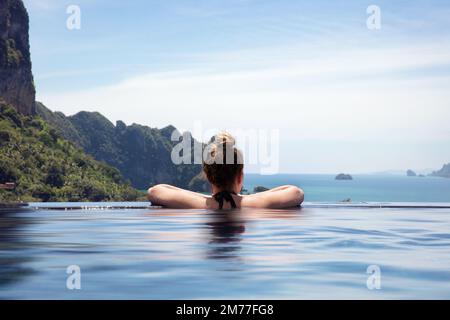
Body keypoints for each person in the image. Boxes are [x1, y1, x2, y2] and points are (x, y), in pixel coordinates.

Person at [147, 132, 304, 209]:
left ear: (208, 176)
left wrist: (206, 198)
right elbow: (296, 192)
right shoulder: (253, 203)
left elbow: (155, 191)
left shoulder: (201, 204)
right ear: (240, 177)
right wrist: (245, 198)